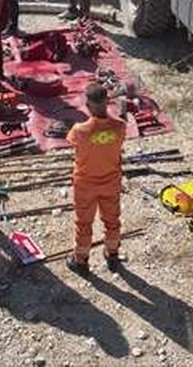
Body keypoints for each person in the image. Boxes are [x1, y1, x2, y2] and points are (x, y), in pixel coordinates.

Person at [66, 82, 127, 275]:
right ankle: (112, 254)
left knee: (83, 223)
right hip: (110, 182)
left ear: (88, 105)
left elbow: (73, 143)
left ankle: (81, 261)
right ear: (107, 102)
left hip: (85, 185)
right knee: (112, 220)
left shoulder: (79, 131)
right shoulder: (120, 127)